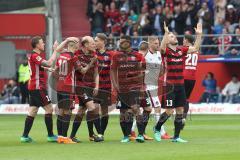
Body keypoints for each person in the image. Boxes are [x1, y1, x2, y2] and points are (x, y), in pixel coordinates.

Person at [154, 22, 202, 143]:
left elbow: (195, 48)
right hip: (170, 86)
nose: (174, 37)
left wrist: (199, 35)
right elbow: (161, 47)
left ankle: (176, 137)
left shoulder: (182, 50)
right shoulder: (165, 52)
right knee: (169, 111)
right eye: (171, 36)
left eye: (174, 36)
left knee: (180, 110)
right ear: (167, 40)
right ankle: (157, 128)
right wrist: (165, 33)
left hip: (180, 85)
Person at [20, 36, 60, 143]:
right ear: (37, 45)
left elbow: (39, 67)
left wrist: (48, 69)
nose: (44, 44)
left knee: (33, 110)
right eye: (42, 43)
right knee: (49, 109)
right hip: (38, 87)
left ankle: (24, 136)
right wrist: (55, 51)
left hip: (33, 87)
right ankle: (51, 135)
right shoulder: (35, 55)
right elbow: (48, 62)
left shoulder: (33, 56)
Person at [111, 35, 146, 143]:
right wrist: (114, 84)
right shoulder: (116, 56)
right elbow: (112, 70)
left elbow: (144, 71)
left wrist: (140, 84)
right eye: (119, 42)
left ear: (128, 43)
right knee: (123, 113)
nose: (120, 44)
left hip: (135, 87)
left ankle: (140, 134)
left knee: (136, 108)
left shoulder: (138, 56)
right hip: (122, 88)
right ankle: (126, 136)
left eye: (122, 42)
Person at [70, 36, 103, 143]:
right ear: (86, 45)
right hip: (80, 86)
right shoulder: (77, 54)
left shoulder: (94, 55)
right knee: (92, 108)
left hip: (90, 87)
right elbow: (81, 71)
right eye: (93, 43)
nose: (95, 45)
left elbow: (96, 73)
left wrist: (97, 86)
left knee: (81, 111)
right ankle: (99, 134)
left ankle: (72, 136)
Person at [94, 33, 113, 138]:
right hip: (95, 87)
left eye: (96, 40)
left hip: (106, 87)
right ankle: (99, 133)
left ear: (103, 42)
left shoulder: (110, 55)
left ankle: (101, 133)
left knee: (105, 111)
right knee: (95, 109)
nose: (95, 42)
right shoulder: (93, 54)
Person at [182, 34, 199, 128]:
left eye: (184, 39)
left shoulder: (185, 49)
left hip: (184, 76)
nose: (183, 41)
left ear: (187, 40)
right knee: (187, 99)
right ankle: (184, 118)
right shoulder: (196, 50)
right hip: (193, 78)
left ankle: (179, 119)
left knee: (180, 99)